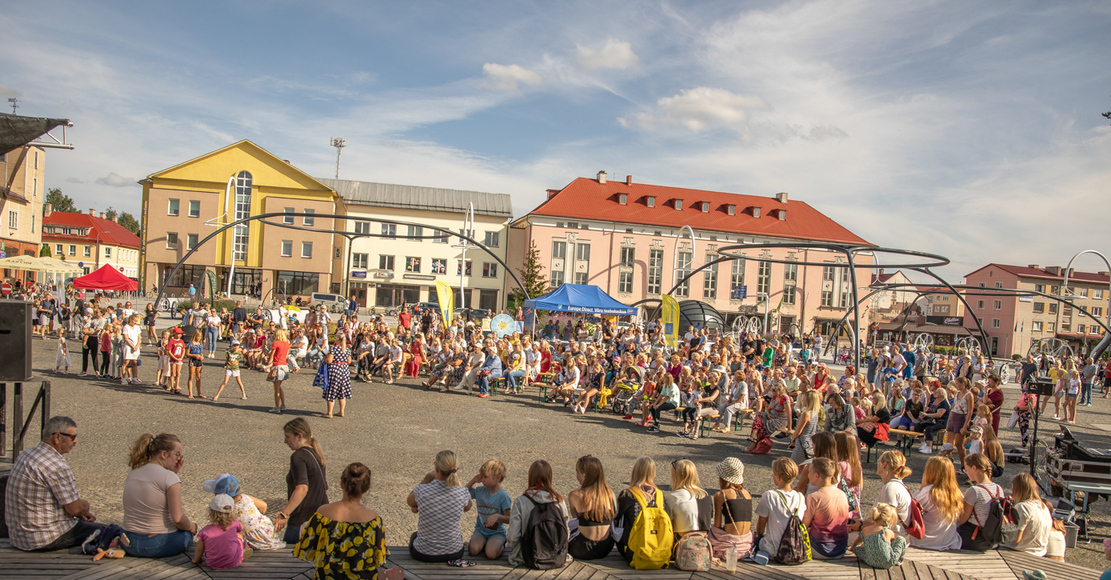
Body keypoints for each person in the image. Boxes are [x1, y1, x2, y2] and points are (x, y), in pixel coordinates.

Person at [4, 416, 105, 551]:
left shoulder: (26, 455)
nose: (76, 441)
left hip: (19, 537)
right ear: (57, 437)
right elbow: (74, 508)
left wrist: (77, 511)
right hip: (43, 538)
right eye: (72, 437)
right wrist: (85, 507)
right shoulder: (55, 464)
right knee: (110, 532)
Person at [293, 462, 389, 579]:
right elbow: (379, 558)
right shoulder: (374, 520)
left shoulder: (322, 514)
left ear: (342, 483)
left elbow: (306, 549)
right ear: (367, 487)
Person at [121, 433, 196, 558]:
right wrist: (192, 526)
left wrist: (172, 473)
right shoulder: (170, 478)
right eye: (177, 454)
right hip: (154, 544)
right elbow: (178, 519)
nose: (179, 458)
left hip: (128, 542)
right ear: (164, 454)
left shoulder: (134, 471)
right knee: (186, 535)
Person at [407, 450, 473, 566]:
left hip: (424, 553)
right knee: (457, 535)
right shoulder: (461, 492)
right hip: (454, 552)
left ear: (437, 469)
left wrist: (426, 479)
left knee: (414, 535)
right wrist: (457, 481)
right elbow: (467, 506)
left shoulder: (422, 490)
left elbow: (410, 501)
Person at [507, 459, 571, 567]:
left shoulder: (521, 501)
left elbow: (513, 537)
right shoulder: (559, 500)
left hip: (528, 556)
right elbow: (566, 532)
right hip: (556, 555)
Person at [275, 418, 329, 545]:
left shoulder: (298, 457)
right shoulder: (316, 453)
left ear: (299, 436)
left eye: (288, 437)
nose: (285, 441)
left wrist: (284, 514)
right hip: (320, 517)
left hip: (301, 520)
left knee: (289, 561)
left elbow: (302, 488)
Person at [201, 473, 284, 551]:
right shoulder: (246, 497)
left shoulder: (226, 508)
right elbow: (263, 506)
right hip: (267, 532)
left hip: (253, 539)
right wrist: (251, 520)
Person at [751, 457, 804, 566]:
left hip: (773, 549)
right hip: (795, 548)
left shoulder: (769, 495)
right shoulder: (800, 497)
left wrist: (759, 535)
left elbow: (761, 522)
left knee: (756, 540)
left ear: (778, 477)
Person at [614, 456, 663, 564]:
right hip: (657, 549)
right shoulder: (660, 495)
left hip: (633, 550)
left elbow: (616, 518)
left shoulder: (627, 494)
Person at [567, 455, 616, 560]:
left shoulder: (575, 495)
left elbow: (576, 520)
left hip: (582, 548)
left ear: (584, 475)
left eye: (577, 473)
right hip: (606, 547)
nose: (576, 476)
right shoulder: (609, 493)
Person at [909, 456, 962, 551]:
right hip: (947, 540)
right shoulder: (957, 493)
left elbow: (911, 509)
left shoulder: (928, 492)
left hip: (924, 540)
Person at [802, 457, 850, 559]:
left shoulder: (814, 497)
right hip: (841, 549)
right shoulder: (842, 494)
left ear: (816, 475)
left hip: (820, 549)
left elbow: (804, 526)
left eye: (809, 472)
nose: (808, 475)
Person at [957, 453, 1004, 552]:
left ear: (974, 468)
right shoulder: (999, 489)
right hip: (993, 540)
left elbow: (962, 519)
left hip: (974, 539)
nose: (967, 473)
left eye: (966, 469)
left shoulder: (974, 491)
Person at [465, 459, 511, 559]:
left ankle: (501, 544)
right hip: (481, 530)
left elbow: (510, 518)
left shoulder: (503, 496)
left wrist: (498, 516)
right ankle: (486, 543)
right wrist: (473, 480)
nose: (483, 480)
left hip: (496, 532)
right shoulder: (481, 491)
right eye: (482, 477)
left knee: (491, 554)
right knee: (473, 550)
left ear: (497, 478)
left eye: (486, 477)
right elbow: (464, 492)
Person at [709, 458, 753, 558]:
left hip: (729, 548)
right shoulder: (748, 494)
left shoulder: (721, 495)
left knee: (711, 532)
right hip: (746, 546)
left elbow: (717, 525)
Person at [1000, 473, 1052, 556]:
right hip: (1040, 551)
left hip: (1023, 551)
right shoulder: (1043, 506)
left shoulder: (1022, 507)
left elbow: (1016, 538)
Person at [193, 494, 249, 569]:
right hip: (234, 562)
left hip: (213, 564)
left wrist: (196, 560)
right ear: (231, 512)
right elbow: (243, 526)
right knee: (240, 533)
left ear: (211, 513)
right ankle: (243, 550)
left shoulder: (205, 531)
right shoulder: (234, 524)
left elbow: (199, 549)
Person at [850, 502, 907, 569]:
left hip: (870, 561)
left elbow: (857, 542)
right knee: (900, 539)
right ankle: (899, 559)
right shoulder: (887, 532)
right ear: (887, 521)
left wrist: (852, 548)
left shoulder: (866, 529)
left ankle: (873, 555)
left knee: (857, 549)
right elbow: (894, 543)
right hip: (888, 562)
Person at [665, 459, 712, 536]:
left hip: (682, 542)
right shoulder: (706, 496)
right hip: (703, 542)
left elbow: (669, 528)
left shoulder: (673, 497)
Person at [323, 333, 352, 418]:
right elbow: (349, 362)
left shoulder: (334, 349)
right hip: (344, 370)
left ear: (337, 339)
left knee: (331, 390)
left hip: (335, 369)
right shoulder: (347, 349)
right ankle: (341, 411)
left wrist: (325, 358)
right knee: (342, 391)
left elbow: (329, 361)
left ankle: (329, 412)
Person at [268, 329, 292, 414]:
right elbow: (285, 356)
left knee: (276, 388)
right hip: (284, 365)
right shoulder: (286, 343)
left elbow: (272, 355)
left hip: (277, 365)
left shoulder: (276, 343)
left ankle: (277, 406)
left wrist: (268, 365)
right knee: (279, 386)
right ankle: (283, 404)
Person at [186, 329, 205, 398]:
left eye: (200, 337)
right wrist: (194, 355)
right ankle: (190, 393)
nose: (199, 338)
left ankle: (199, 392)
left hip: (199, 361)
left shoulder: (200, 344)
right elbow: (187, 353)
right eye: (198, 336)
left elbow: (201, 353)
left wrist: (202, 356)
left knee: (198, 377)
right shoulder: (190, 344)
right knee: (191, 376)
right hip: (193, 360)